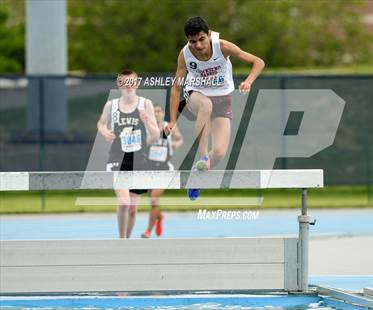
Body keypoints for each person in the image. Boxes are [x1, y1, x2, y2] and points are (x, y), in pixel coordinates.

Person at [164, 16, 264, 200]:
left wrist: (248, 82)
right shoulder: (184, 55)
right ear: (188, 40)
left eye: (202, 39)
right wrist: (171, 120)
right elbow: (177, 87)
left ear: (208, 35)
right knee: (205, 105)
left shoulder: (223, 46)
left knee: (219, 152)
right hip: (196, 94)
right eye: (193, 42)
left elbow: (258, 62)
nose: (199, 46)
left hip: (223, 98)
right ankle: (202, 156)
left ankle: (197, 175)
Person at [97, 70, 160, 239]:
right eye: (124, 83)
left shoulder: (145, 104)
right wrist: (105, 132)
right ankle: (122, 239)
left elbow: (155, 135)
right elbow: (101, 123)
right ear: (119, 85)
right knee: (124, 202)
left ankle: (127, 241)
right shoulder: (112, 105)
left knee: (132, 208)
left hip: (139, 158)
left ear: (137, 84)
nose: (128, 86)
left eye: (131, 82)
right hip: (117, 158)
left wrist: (146, 120)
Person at [141, 104, 184, 238]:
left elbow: (180, 139)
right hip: (149, 168)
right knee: (152, 200)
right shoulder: (147, 128)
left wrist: (176, 144)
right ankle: (159, 216)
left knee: (154, 198)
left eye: (158, 111)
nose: (156, 114)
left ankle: (148, 231)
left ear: (162, 113)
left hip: (165, 169)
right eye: (153, 112)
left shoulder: (169, 126)